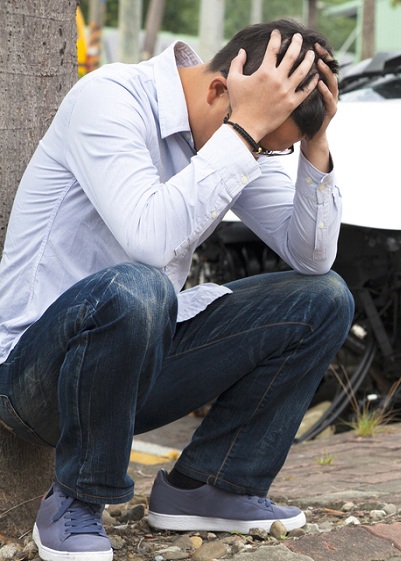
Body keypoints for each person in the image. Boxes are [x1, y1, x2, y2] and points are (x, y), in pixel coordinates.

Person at [0, 18, 353, 561]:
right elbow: (150, 239)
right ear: (219, 89)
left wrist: (314, 142)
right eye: (262, 144)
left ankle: (210, 486)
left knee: (324, 298)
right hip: (36, 376)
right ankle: (76, 501)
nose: (257, 157)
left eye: (270, 149)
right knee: (141, 287)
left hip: (133, 370)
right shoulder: (111, 98)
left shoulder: (233, 128)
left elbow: (312, 255)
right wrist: (246, 132)